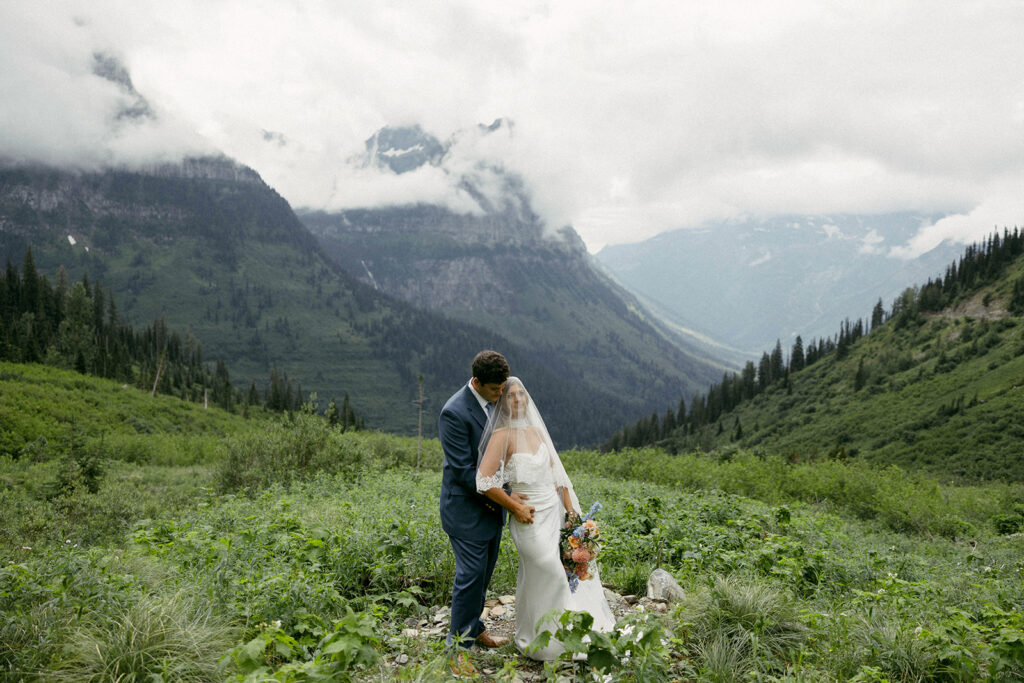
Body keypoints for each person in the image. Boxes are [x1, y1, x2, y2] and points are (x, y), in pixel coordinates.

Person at [476, 377, 615, 660]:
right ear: (503, 402)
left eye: (521, 394)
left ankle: (565, 634)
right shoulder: (501, 435)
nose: (517, 400)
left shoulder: (537, 433)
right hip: (527, 517)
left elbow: (557, 476)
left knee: (559, 571)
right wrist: (513, 506)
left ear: (527, 399)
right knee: (547, 568)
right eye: (511, 395)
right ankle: (550, 640)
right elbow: (483, 480)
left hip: (555, 512)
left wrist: (572, 512)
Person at [438, 350, 534, 651]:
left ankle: (475, 629)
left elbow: (497, 458)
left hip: (492, 509)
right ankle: (457, 650)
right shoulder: (454, 412)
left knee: (483, 575)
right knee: (469, 578)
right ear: (477, 382)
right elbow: (466, 474)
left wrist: (508, 489)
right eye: (495, 389)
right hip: (465, 512)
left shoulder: (496, 403)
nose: (500, 394)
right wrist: (509, 501)